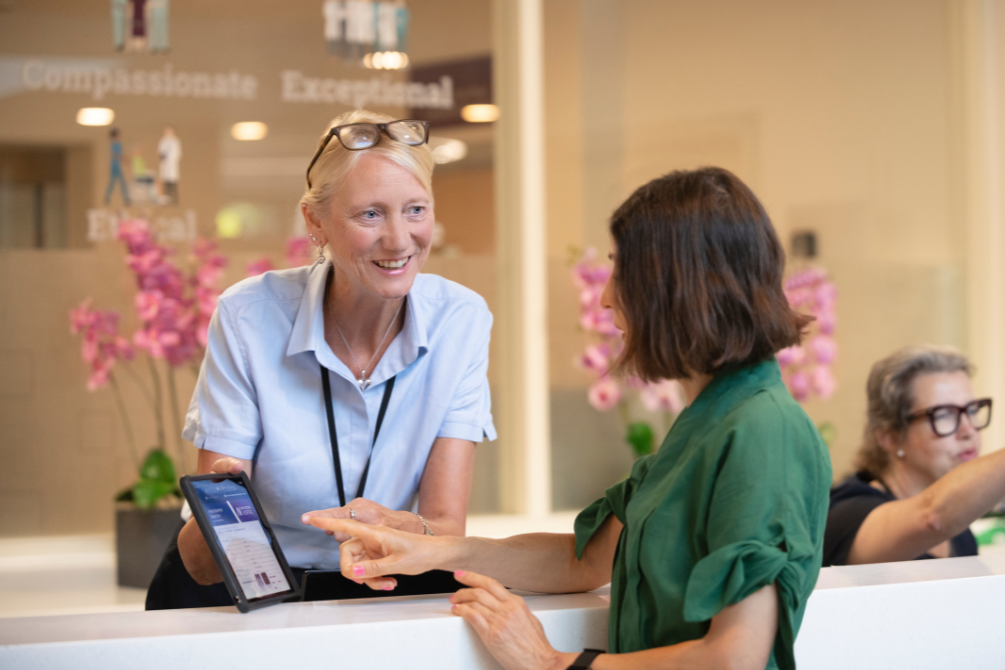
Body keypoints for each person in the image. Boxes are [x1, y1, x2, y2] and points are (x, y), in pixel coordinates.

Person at [309, 167, 832, 670]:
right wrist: (428, 550)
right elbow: (583, 562)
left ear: (678, 286)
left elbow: (734, 658)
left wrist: (553, 663)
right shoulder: (706, 425)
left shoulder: (764, 432)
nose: (605, 298)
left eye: (621, 273)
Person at [148, 110, 495, 609]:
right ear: (316, 222)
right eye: (370, 214)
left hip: (375, 593)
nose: (399, 240)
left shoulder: (461, 320)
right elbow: (203, 565)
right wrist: (221, 506)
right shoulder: (249, 316)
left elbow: (444, 530)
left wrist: (399, 528)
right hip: (237, 592)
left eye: (416, 210)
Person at [824, 346, 1003, 566]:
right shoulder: (849, 512)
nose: (968, 431)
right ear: (890, 436)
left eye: (972, 410)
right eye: (944, 415)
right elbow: (931, 517)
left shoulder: (962, 535)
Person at [103, 128, 130, 206]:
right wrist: (123, 158)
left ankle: (124, 197)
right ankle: (125, 197)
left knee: (117, 182)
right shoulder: (114, 144)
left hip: (117, 165)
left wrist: (123, 158)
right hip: (115, 166)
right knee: (118, 182)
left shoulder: (117, 143)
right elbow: (115, 155)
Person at [157, 125, 181, 205]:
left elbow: (177, 153)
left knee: (173, 183)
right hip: (165, 166)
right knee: (166, 184)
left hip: (172, 165)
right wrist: (163, 157)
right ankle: (167, 200)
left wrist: (170, 159)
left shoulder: (175, 141)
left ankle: (175, 200)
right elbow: (160, 152)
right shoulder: (163, 141)